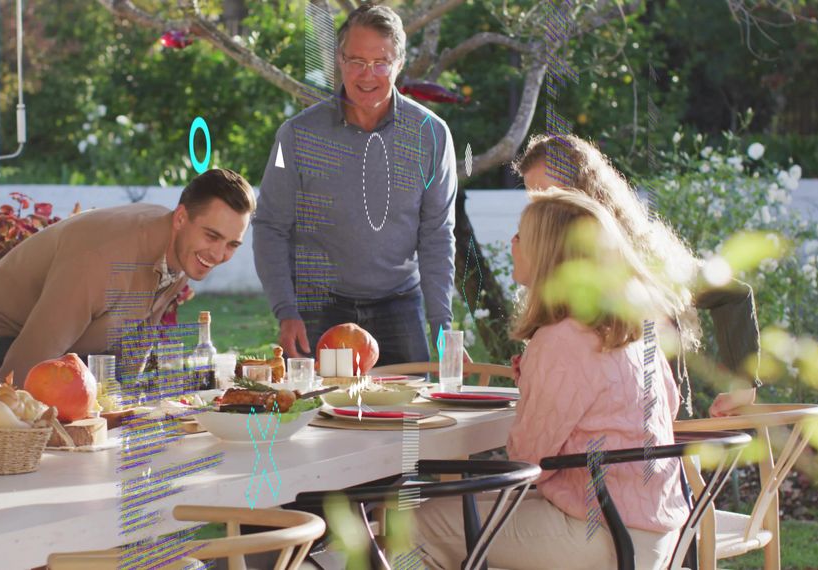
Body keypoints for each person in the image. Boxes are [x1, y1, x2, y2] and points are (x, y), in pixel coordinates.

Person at [416, 189, 688, 570]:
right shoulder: (631, 326)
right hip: (652, 529)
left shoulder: (560, 339)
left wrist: (536, 385)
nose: (512, 243)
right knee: (461, 513)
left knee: (416, 522)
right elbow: (669, 406)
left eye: (521, 236)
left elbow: (527, 460)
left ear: (547, 255)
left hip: (604, 534)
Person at [253, 3, 457, 367]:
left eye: (381, 62)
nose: (368, 75)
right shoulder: (296, 135)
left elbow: (437, 233)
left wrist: (442, 323)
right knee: (320, 417)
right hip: (317, 307)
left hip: (400, 304)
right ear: (339, 60)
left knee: (411, 419)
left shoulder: (431, 135)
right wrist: (286, 310)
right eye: (356, 61)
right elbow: (270, 226)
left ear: (399, 63)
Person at [514, 133, 761, 417]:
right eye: (534, 201)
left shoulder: (641, 254)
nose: (540, 212)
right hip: (591, 432)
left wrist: (743, 385)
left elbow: (732, 294)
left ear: (586, 191)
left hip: (659, 437)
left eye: (551, 197)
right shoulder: (556, 260)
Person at [0, 168, 255, 381]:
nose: (218, 255)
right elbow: (22, 367)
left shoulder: (182, 249)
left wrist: (130, 406)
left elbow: (137, 339)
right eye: (212, 236)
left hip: (61, 350)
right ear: (181, 218)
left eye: (232, 244)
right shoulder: (103, 258)